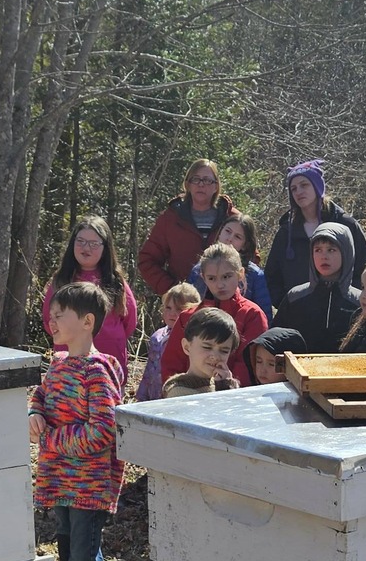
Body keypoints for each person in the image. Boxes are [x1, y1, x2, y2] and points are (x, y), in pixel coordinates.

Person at [29, 281, 125, 561]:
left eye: (59, 315)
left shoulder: (97, 372)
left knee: (84, 557)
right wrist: (35, 411)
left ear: (87, 322)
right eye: (51, 315)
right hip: (60, 480)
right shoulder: (58, 363)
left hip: (88, 484)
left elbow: (103, 430)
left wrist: (51, 440)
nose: (51, 320)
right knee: (67, 549)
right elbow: (42, 394)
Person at [263, 160, 366, 310]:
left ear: (317, 186)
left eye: (304, 185)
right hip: (299, 313)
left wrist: (350, 301)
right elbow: (272, 276)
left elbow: (365, 268)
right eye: (293, 189)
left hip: (343, 311)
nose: (298, 191)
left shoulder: (346, 225)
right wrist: (288, 303)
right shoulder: (286, 232)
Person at [159, 241, 267, 386]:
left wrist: (226, 385)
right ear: (203, 277)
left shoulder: (252, 315)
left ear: (240, 274)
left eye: (226, 276)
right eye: (212, 278)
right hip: (187, 398)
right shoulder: (187, 316)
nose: (220, 284)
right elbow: (171, 364)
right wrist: (178, 393)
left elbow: (250, 367)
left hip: (233, 399)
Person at [42, 215, 138, 368]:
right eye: (80, 241)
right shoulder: (60, 280)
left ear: (105, 248)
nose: (86, 248)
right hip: (69, 363)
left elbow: (129, 321)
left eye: (93, 243)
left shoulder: (116, 281)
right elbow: (49, 320)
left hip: (110, 363)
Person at [137, 159, 237, 296]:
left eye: (207, 180)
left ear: (216, 187)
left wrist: (233, 287)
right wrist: (173, 291)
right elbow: (147, 261)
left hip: (226, 303)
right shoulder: (171, 218)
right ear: (187, 184)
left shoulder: (231, 217)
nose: (201, 184)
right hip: (184, 305)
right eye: (196, 179)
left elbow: (251, 257)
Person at [272, 223, 362, 352]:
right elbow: (277, 340)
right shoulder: (295, 297)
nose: (324, 256)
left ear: (346, 252)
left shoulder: (360, 302)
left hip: (344, 371)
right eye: (318, 250)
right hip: (302, 370)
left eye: (331, 250)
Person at [191, 212, 271, 321]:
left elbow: (265, 318)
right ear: (220, 233)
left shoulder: (255, 275)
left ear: (245, 245)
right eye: (227, 231)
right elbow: (188, 306)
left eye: (237, 237)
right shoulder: (199, 269)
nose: (229, 239)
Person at [134, 282, 200, 403]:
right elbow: (149, 371)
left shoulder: (192, 340)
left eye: (180, 309)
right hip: (153, 396)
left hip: (176, 396)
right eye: (168, 308)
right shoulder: (157, 336)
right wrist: (142, 396)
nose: (172, 313)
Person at [163, 307, 240, 395]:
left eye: (224, 351)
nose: (215, 356)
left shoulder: (223, 383)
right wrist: (225, 389)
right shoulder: (179, 392)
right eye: (207, 347)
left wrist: (228, 385)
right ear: (187, 347)